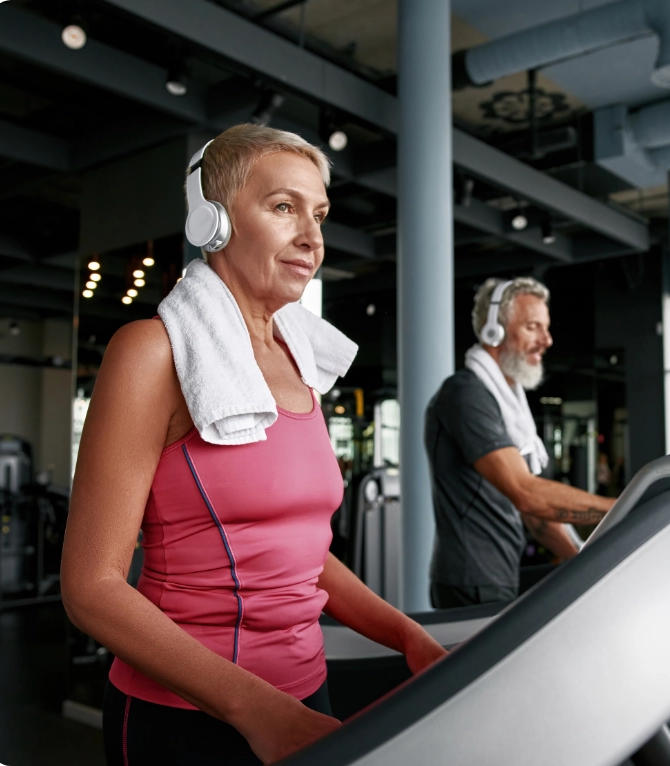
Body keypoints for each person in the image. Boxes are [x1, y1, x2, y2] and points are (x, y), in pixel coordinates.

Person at [61, 124, 446, 766]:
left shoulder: (301, 363)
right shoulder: (152, 353)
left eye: (319, 214)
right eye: (284, 207)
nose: (312, 237)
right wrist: (263, 715)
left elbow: (300, 555)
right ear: (212, 221)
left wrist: (408, 636)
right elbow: (91, 587)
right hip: (188, 715)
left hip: (305, 697)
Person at [425, 277, 615, 609]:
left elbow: (537, 519)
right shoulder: (467, 394)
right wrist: (621, 508)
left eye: (546, 328)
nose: (547, 340)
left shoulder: (506, 401)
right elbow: (525, 493)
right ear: (493, 331)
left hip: (497, 575)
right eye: (532, 327)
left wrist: (589, 564)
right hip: (473, 581)